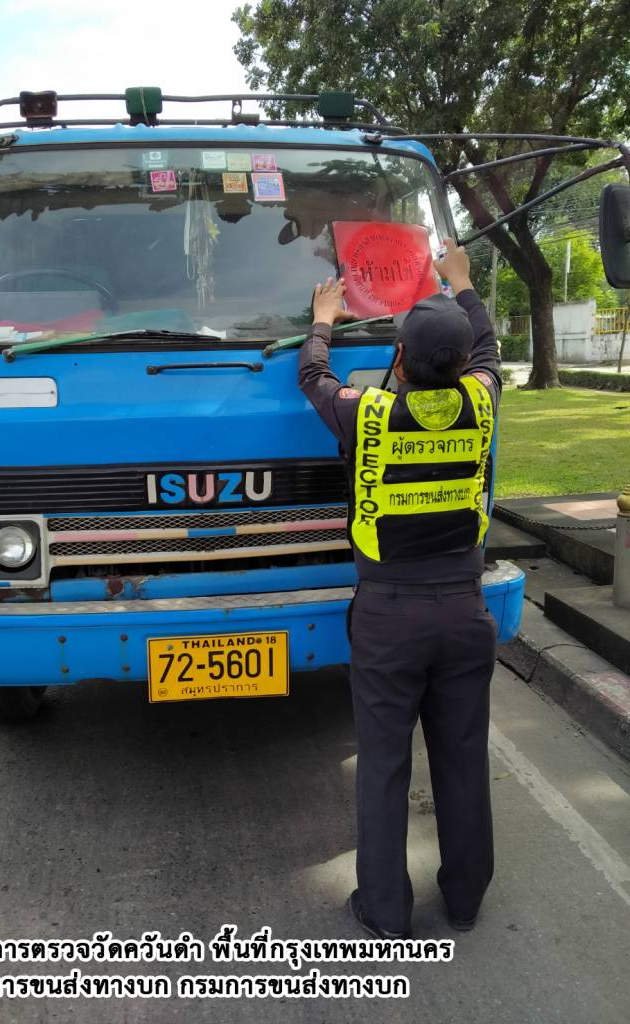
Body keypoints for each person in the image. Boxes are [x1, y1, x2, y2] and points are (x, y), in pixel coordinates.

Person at [298, 240, 501, 939]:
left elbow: (313, 375)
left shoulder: (368, 413)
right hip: (466, 612)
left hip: (389, 617)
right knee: (463, 758)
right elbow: (489, 349)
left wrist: (323, 318)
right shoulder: (482, 400)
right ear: (461, 364)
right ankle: (466, 899)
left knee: (384, 765)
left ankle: (385, 911)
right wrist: (463, 283)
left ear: (400, 359)